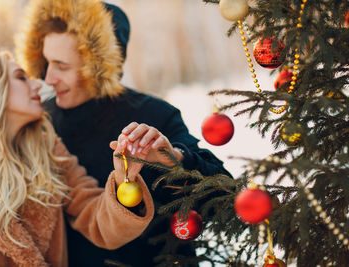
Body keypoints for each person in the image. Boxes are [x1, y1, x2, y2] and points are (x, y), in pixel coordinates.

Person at [15, 0, 232, 266]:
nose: (48, 78)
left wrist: (173, 160)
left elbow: (224, 199)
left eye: (61, 66)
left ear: (98, 67)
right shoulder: (42, 122)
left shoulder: (155, 116)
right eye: (46, 62)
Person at [0, 51, 156, 267]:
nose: (37, 85)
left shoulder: (50, 153)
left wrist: (125, 179)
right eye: (21, 77)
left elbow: (98, 221)